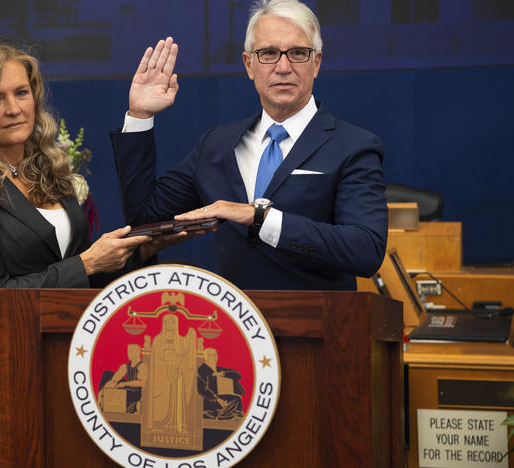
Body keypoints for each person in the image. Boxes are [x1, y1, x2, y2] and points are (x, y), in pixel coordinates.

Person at [0, 43, 155, 467]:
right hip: (4, 371)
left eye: (21, 92)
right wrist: (86, 263)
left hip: (73, 360)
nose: (13, 108)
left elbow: (81, 273)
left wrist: (142, 249)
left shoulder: (51, 171)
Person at [110, 0, 388, 290]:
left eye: (297, 53)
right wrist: (140, 116)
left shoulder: (353, 146)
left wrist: (260, 218)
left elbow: (365, 250)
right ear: (249, 65)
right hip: (232, 328)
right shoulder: (216, 145)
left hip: (316, 325)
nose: (283, 67)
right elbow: (143, 219)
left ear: (316, 63)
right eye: (268, 53)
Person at [196, 348, 244, 421]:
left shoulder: (218, 369)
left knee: (236, 399)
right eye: (210, 355)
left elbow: (238, 375)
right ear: (206, 358)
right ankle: (223, 416)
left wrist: (222, 374)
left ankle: (228, 415)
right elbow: (202, 389)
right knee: (234, 401)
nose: (213, 357)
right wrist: (217, 399)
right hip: (209, 398)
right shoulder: (202, 370)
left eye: (215, 354)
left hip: (221, 394)